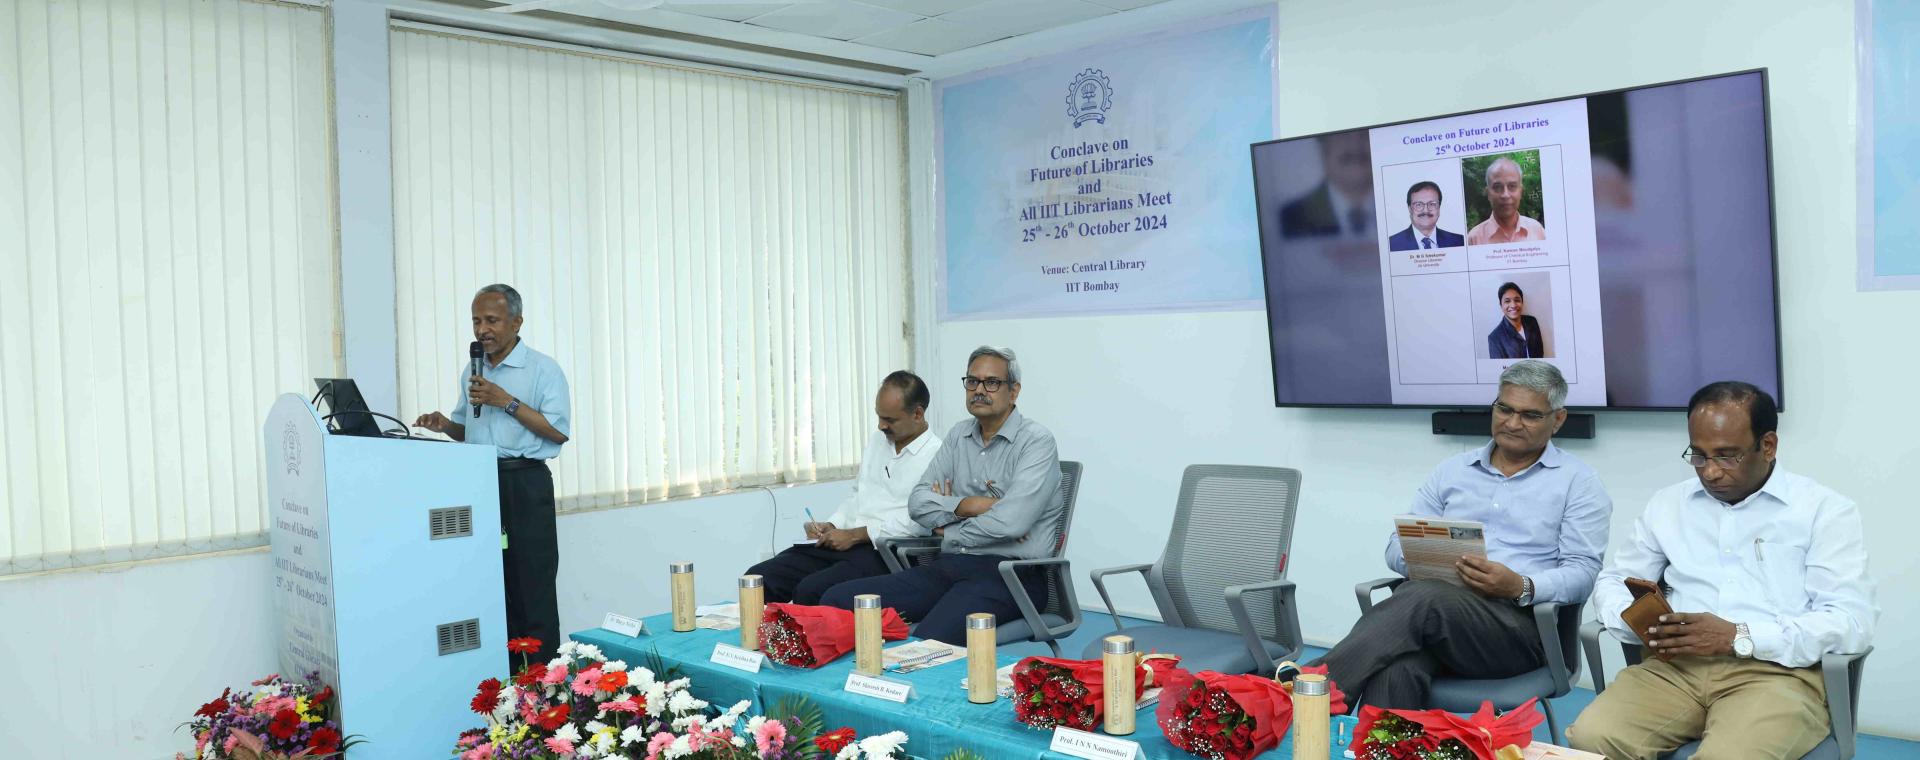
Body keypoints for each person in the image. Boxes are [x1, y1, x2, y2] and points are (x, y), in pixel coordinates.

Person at [1569, 382, 1875, 760]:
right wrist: (1638, 622)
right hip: (1675, 670)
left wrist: (1738, 635)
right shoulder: (1668, 505)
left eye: (1727, 456)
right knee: (1590, 738)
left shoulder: (1823, 511)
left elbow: (1851, 622)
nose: (1710, 471)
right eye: (1698, 455)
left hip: (1777, 674)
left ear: (1768, 446)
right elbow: (1615, 579)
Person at [1314, 360, 1611, 708]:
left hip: (1517, 632)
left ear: (1557, 419)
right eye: (1504, 409)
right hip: (1435, 618)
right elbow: (1396, 545)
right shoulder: (1452, 471)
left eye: (1530, 415)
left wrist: (1520, 585)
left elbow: (1583, 572)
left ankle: (1300, 692)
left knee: (1423, 598)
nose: (1512, 423)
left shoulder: (1579, 483)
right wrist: (1425, 563)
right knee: (1396, 668)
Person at [819, 346, 1062, 646]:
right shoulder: (958, 436)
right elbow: (917, 502)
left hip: (1011, 576)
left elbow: (1012, 523)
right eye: (972, 381)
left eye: (992, 382)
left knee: (928, 641)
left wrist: (946, 528)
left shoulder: (1036, 442)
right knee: (838, 599)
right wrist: (967, 506)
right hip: (950, 565)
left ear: (1013, 392)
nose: (979, 390)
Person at [414, 283, 572, 667]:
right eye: (476, 320)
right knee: (492, 584)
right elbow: (468, 428)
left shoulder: (543, 369)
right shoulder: (473, 367)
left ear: (516, 322)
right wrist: (444, 426)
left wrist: (507, 402)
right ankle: (504, 679)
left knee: (531, 585)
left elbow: (558, 431)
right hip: (481, 483)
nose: (482, 329)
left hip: (524, 483)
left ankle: (543, 685)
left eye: (491, 320)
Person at [744, 371, 942, 604]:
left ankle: (799, 640)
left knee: (811, 591)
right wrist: (832, 524)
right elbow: (859, 494)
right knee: (759, 579)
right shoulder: (878, 441)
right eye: (879, 416)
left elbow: (920, 523)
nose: (881, 425)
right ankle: (762, 640)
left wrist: (857, 535)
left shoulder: (937, 456)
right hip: (847, 542)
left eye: (890, 420)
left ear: (917, 414)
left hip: (883, 552)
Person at [1279, 131, 1376, 238]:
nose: (1355, 145)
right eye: (1344, 135)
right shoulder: (1292, 218)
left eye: (1364, 135)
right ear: (1324, 148)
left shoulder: (1396, 204)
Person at [1466, 157, 1547, 244]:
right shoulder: (1474, 239)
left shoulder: (1538, 231)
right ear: (1488, 193)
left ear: (1521, 192)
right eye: (1497, 187)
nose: (1505, 195)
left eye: (1512, 186)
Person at [1387, 181, 1464, 251]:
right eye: (1419, 205)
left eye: (1432, 204)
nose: (1425, 210)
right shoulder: (1391, 244)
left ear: (1439, 208)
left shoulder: (1459, 241)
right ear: (1410, 209)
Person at [1487, 282, 1547, 358]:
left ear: (1522, 302)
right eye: (1507, 301)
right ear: (1501, 305)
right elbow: (1501, 368)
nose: (1513, 305)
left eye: (1517, 300)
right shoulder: (1494, 338)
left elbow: (1540, 353)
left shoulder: (1532, 321)